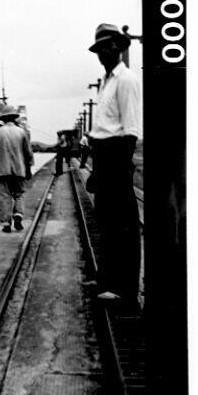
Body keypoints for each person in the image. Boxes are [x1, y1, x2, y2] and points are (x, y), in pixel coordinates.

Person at [88, 23, 141, 306]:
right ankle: (106, 279)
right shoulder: (107, 81)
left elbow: (130, 129)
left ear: (119, 47)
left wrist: (120, 166)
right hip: (103, 155)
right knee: (107, 221)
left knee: (124, 225)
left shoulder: (126, 80)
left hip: (117, 154)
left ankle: (125, 289)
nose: (103, 53)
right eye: (98, 49)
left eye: (108, 47)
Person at [0, 105, 34, 233]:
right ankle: (18, 215)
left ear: (3, 119)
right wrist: (28, 169)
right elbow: (28, 152)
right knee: (19, 194)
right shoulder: (21, 132)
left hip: (2, 170)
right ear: (14, 118)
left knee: (4, 196)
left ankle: (6, 223)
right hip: (19, 170)